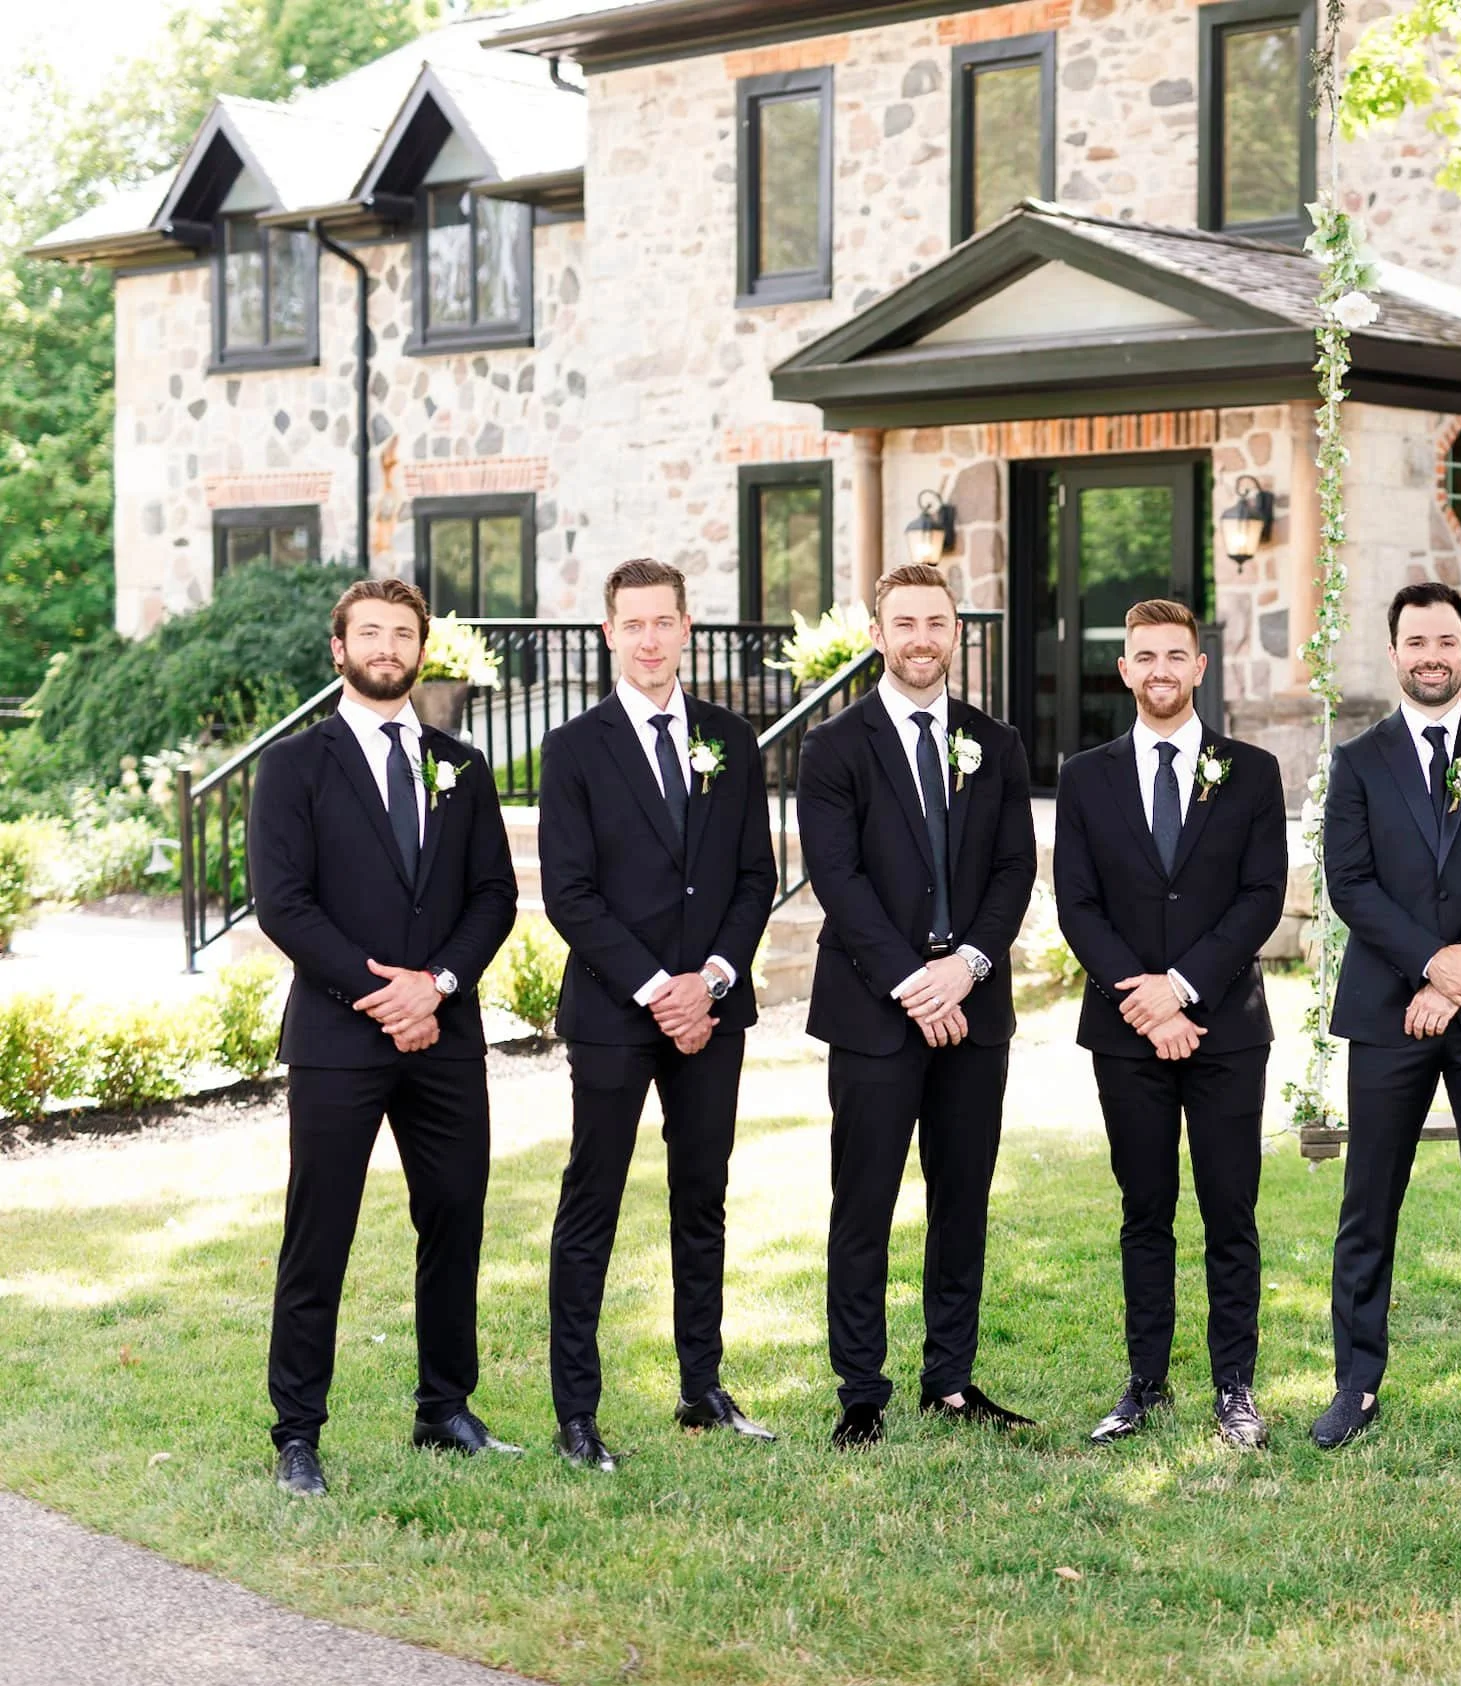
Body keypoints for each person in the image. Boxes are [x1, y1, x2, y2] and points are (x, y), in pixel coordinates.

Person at [250, 577, 519, 1496]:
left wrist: (434, 986)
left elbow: (495, 895)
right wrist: (384, 994)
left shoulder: (461, 764)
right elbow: (284, 903)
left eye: (402, 634)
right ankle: (297, 1431)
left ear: (421, 649)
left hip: (446, 1032)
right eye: (369, 632)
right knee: (319, 1228)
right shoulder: (294, 766)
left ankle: (445, 1407)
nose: (386, 647)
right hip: (338, 1035)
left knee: (454, 1214)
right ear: (339, 648)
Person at [535, 559, 779, 1471]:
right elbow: (569, 892)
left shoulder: (731, 739)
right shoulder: (574, 748)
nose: (648, 639)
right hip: (613, 1010)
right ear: (609, 633)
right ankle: (577, 1411)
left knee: (702, 1196)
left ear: (686, 628)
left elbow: (754, 875)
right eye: (631, 624)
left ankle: (701, 1386)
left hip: (712, 1010)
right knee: (590, 1204)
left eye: (662, 622)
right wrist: (656, 988)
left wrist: (708, 980)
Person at [796, 563, 1037, 1448]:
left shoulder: (995, 743)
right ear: (878, 634)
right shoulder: (832, 747)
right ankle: (861, 1391)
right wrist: (914, 982)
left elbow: (1015, 867)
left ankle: (952, 1380)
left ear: (955, 632)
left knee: (962, 1198)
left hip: (974, 1008)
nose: (921, 638)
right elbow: (839, 879)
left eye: (936, 622)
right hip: (873, 1008)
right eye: (904, 623)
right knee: (862, 1201)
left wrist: (966, 967)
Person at [1311, 580, 1461, 1448]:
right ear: (1394, 653)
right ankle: (1356, 1384)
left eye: (1446, 639)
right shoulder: (1358, 760)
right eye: (1416, 642)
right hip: (1386, 1010)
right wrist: (1426, 963)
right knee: (1368, 1204)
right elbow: (1351, 884)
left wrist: (1456, 975)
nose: (1432, 655)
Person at [1053, 600, 1288, 1449]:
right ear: (1125, 670)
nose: (1160, 669)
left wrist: (1181, 990)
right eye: (1144, 656)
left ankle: (1235, 1388)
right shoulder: (1085, 776)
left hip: (1227, 1027)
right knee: (1144, 1208)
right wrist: (1144, 1000)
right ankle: (1145, 1384)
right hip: (1126, 1034)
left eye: (1174, 655)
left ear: (1199, 666)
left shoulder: (1251, 771)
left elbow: (1262, 895)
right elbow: (1076, 903)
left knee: (1231, 1210)